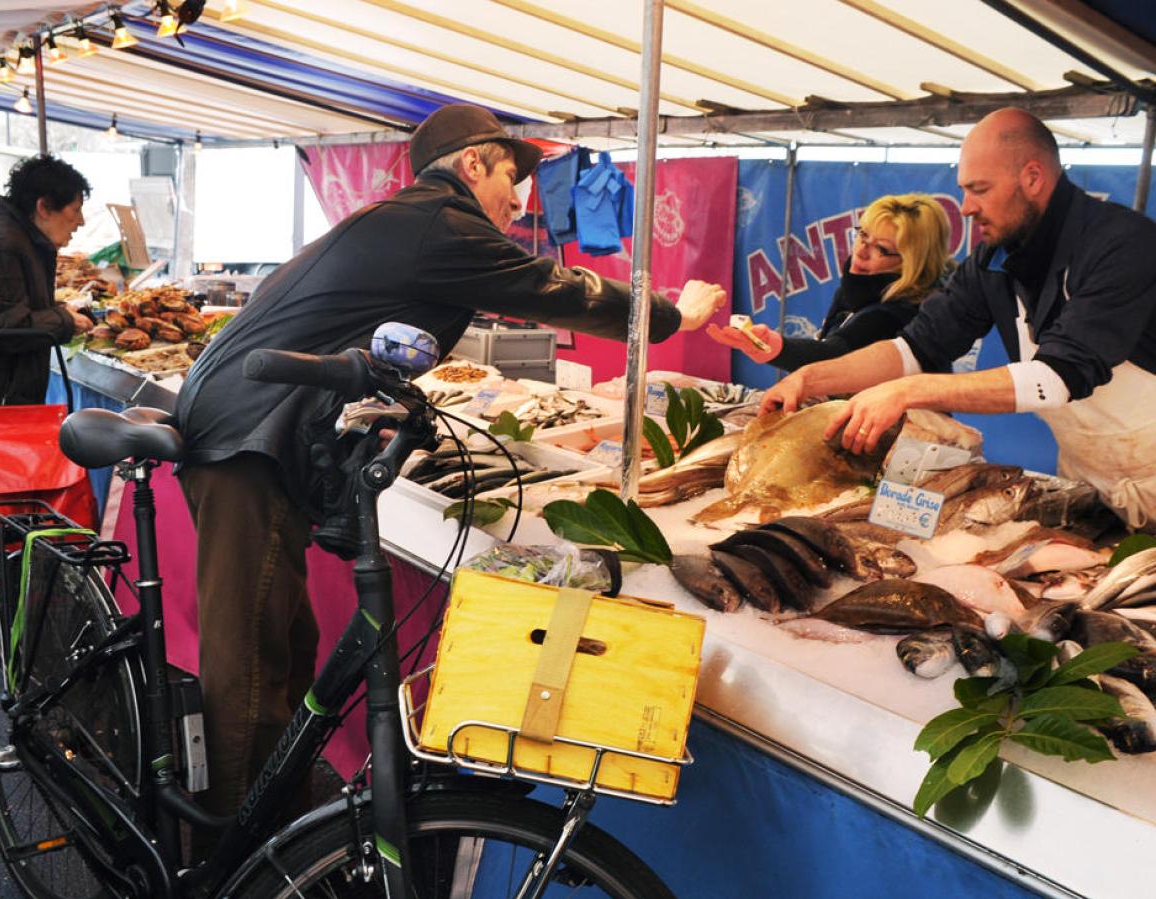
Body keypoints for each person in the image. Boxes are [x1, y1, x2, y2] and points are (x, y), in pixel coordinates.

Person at [173, 103, 728, 828]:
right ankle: (233, 850)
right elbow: (556, 290)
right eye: (510, 176)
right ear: (472, 165)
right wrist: (673, 314)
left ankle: (277, 818)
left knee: (287, 637)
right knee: (250, 658)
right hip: (249, 436)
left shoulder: (414, 224)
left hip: (259, 427)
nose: (517, 198)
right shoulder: (440, 222)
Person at [760, 107, 1156, 529]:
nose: (966, 208)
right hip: (1089, 478)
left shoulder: (1122, 245)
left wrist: (908, 391)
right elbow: (914, 347)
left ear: (1033, 177)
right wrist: (812, 377)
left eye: (979, 189)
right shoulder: (993, 260)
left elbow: (1059, 376)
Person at [706, 193, 953, 371]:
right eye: (862, 235)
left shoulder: (901, 313)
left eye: (881, 248)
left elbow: (837, 356)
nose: (861, 251)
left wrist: (777, 347)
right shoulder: (858, 289)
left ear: (912, 261)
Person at [0, 154, 94, 436]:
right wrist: (63, 321)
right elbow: (1, 327)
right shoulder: (1, 244)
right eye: (76, 209)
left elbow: (8, 301)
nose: (80, 221)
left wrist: (59, 309)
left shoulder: (17, 236)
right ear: (44, 206)